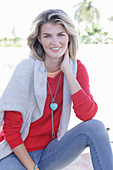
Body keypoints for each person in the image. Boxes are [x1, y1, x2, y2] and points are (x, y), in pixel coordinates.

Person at [0, 9, 113, 170]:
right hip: (16, 153)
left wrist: (67, 71)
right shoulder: (25, 70)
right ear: (39, 39)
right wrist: (33, 168)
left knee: (96, 127)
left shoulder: (76, 69)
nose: (55, 42)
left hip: (51, 152)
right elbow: (11, 131)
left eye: (61, 34)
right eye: (47, 36)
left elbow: (87, 114)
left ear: (69, 37)